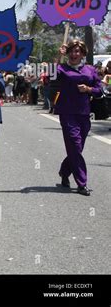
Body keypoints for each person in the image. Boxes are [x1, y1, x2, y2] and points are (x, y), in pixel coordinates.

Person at [55, 40, 103, 196]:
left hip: (84, 113)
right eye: (71, 51)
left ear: (83, 54)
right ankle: (82, 183)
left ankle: (64, 171)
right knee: (75, 146)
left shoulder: (90, 70)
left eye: (77, 51)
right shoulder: (62, 69)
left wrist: (88, 89)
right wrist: (57, 56)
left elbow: (98, 90)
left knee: (77, 148)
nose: (74, 54)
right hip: (67, 113)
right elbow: (49, 77)